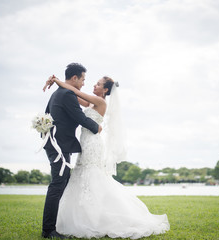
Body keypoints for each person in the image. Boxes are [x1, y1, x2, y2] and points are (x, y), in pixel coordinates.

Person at [43, 75, 170, 239]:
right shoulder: (90, 102)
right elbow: (72, 94)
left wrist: (60, 82)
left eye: (98, 84)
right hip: (85, 142)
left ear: (105, 90)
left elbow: (74, 90)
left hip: (93, 143)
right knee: (82, 176)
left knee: (93, 176)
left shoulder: (100, 102)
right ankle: (84, 218)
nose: (93, 85)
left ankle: (101, 217)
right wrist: (58, 82)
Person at [42, 63, 102, 239]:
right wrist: (96, 127)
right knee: (57, 184)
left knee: (63, 182)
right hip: (58, 146)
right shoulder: (67, 94)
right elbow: (80, 117)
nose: (84, 83)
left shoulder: (58, 93)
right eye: (83, 79)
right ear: (74, 78)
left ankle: (58, 224)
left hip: (57, 144)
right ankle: (48, 230)